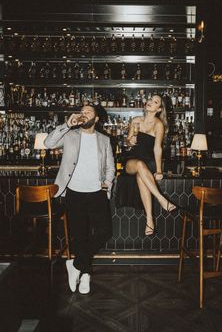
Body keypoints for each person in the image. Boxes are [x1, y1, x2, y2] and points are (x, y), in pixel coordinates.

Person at [44, 104, 115, 294]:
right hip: (74, 192)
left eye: (88, 112)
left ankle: (74, 264)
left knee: (104, 232)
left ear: (97, 118)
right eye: (82, 111)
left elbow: (110, 167)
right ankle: (85, 275)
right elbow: (49, 143)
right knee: (81, 237)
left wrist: (107, 183)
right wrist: (67, 124)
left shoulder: (105, 140)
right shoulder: (70, 135)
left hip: (97, 193)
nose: (84, 114)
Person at [125, 94, 176, 236]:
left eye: (155, 102)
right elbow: (128, 142)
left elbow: (157, 148)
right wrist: (130, 141)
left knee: (142, 174)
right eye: (150, 100)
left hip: (149, 162)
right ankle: (161, 199)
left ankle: (149, 220)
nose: (150, 102)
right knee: (140, 165)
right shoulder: (135, 121)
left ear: (159, 109)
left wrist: (159, 170)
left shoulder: (158, 124)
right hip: (132, 160)